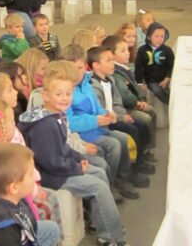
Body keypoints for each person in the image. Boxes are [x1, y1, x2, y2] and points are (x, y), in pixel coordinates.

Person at [18, 63, 131, 246]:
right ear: (45, 96)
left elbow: (64, 148)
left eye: (68, 94)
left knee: (100, 173)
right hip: (51, 176)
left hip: (61, 168)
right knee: (99, 187)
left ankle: (102, 225)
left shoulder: (57, 116)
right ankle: (114, 238)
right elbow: (51, 163)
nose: (65, 99)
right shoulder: (45, 124)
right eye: (59, 94)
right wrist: (77, 167)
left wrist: (80, 159)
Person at [62, 44, 148, 198]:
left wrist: (107, 114)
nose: (77, 72)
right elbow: (70, 122)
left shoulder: (86, 84)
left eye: (81, 67)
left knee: (122, 139)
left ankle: (122, 178)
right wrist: (96, 120)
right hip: (83, 134)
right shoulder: (66, 91)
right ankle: (110, 184)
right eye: (73, 68)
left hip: (97, 128)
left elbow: (97, 108)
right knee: (113, 144)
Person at [87, 46, 154, 177]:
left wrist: (123, 115)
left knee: (140, 124)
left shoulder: (110, 80)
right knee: (132, 130)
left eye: (112, 60)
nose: (113, 64)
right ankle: (131, 169)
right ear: (96, 65)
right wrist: (121, 118)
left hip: (116, 115)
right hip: (106, 121)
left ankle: (140, 158)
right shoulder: (93, 86)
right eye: (108, 61)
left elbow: (116, 102)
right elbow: (101, 111)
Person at [103, 35, 157, 163]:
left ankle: (147, 148)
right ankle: (142, 152)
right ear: (112, 54)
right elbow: (124, 95)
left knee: (151, 113)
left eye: (127, 49)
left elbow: (135, 88)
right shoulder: (115, 71)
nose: (128, 53)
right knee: (145, 118)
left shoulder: (124, 67)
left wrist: (142, 99)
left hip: (128, 105)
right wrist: (137, 103)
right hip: (125, 107)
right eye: (123, 51)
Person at [135, 22, 174, 105]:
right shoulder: (142, 50)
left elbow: (171, 66)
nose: (159, 39)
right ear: (149, 36)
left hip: (166, 78)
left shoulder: (167, 51)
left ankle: (174, 101)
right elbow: (138, 67)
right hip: (151, 81)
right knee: (156, 89)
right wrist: (139, 82)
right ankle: (170, 104)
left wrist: (167, 78)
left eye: (162, 36)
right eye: (156, 36)